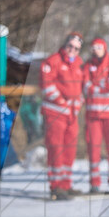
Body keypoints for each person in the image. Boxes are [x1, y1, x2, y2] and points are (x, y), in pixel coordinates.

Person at [41, 33, 85, 200]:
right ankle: (55, 187)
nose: (72, 50)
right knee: (56, 149)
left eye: (76, 48)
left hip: (71, 115)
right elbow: (47, 86)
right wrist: (61, 101)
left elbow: (80, 88)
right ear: (64, 45)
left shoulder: (79, 64)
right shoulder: (52, 61)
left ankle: (66, 185)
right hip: (55, 113)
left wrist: (78, 102)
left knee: (69, 150)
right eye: (70, 46)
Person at [83, 38, 109, 194]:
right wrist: (102, 85)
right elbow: (86, 87)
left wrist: (96, 85)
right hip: (93, 116)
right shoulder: (87, 66)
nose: (96, 50)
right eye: (93, 47)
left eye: (99, 47)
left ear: (104, 48)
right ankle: (94, 183)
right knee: (93, 149)